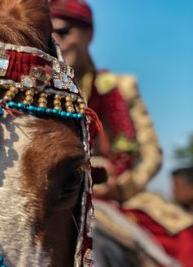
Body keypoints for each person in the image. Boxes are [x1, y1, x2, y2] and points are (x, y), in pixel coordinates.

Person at [49, 0, 162, 202]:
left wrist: (119, 187)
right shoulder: (32, 90)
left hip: (110, 199)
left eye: (64, 32)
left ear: (89, 34)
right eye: (49, 35)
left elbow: (151, 155)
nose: (57, 42)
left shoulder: (118, 87)